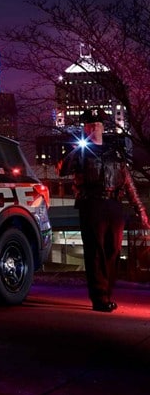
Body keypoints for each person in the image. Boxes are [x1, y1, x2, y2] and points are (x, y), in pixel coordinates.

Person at [58, 109, 149, 313]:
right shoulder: (79, 152)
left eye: (97, 124)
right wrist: (74, 151)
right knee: (95, 250)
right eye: (89, 125)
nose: (93, 128)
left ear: (102, 127)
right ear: (85, 128)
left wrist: (140, 209)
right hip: (91, 204)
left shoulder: (113, 152)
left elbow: (128, 182)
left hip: (114, 204)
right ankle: (99, 297)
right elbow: (62, 170)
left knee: (113, 250)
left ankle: (107, 292)